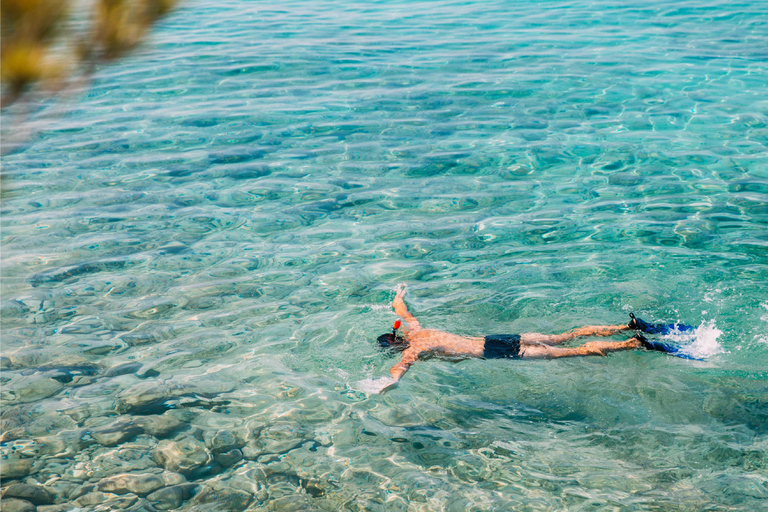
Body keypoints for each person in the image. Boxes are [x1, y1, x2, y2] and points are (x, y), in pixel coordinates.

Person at [372, 284, 650, 393]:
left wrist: (390, 381)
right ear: (397, 335)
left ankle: (631, 344)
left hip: (493, 353)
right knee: (567, 336)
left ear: (395, 349)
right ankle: (627, 327)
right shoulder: (416, 331)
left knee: (574, 352)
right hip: (496, 338)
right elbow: (403, 311)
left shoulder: (412, 350)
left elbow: (401, 368)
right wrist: (398, 297)